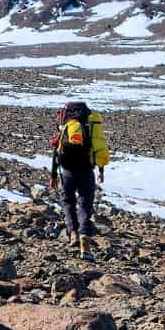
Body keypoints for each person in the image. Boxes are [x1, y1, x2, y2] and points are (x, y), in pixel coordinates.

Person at [50, 101, 110, 257]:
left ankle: (73, 233)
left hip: (68, 171)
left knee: (68, 202)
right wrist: (101, 170)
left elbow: (57, 152)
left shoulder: (67, 125)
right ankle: (85, 239)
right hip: (86, 171)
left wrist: (53, 175)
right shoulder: (90, 125)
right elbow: (99, 147)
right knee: (85, 205)